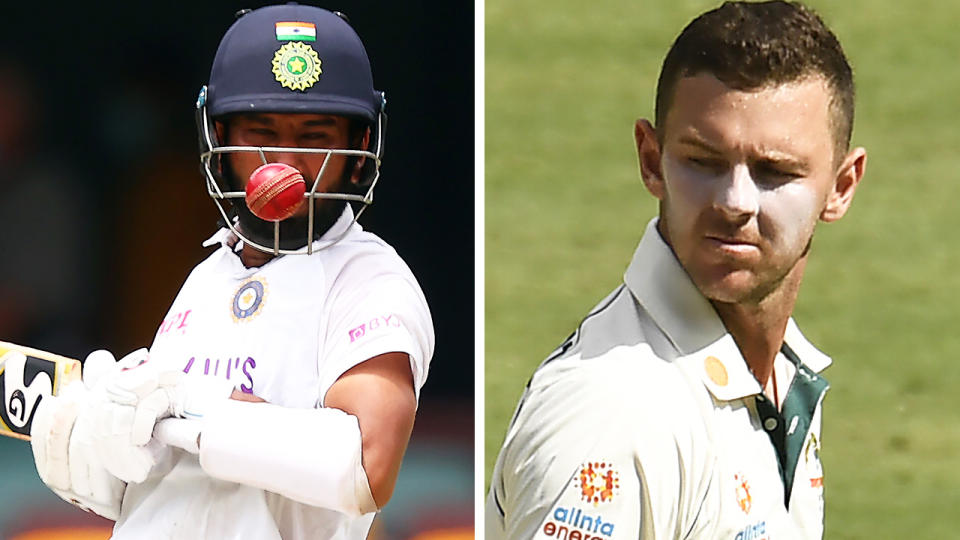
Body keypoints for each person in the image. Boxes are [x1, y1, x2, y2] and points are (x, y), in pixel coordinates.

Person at [28, 5, 434, 539]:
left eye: (314, 136)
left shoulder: (370, 279)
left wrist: (193, 406)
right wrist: (102, 436)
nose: (282, 163)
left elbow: (364, 464)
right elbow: (157, 490)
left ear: (359, 146)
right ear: (218, 138)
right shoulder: (206, 277)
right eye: (259, 131)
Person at [487, 2, 866, 539]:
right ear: (650, 159)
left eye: (774, 171)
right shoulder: (615, 414)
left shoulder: (779, 378)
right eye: (703, 162)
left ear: (842, 186)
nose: (735, 202)